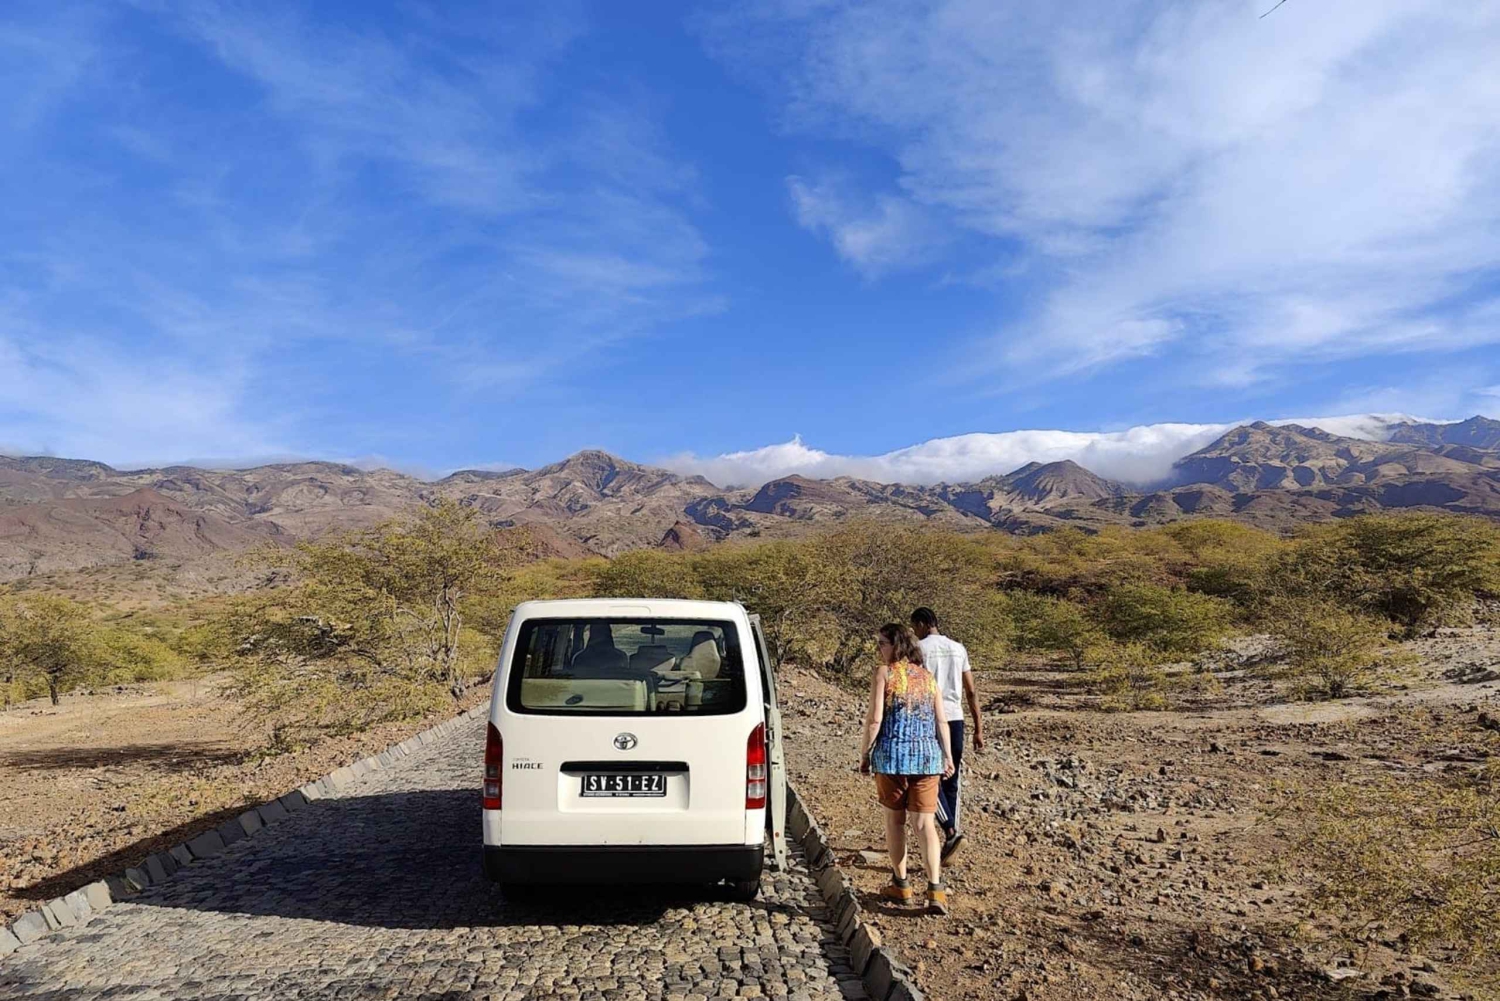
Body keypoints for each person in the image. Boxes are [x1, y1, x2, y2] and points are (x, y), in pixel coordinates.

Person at [860, 623, 956, 915]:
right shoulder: (927, 677)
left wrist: (864, 754)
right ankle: (935, 890)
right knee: (925, 825)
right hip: (927, 760)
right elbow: (941, 721)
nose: (880, 649)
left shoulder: (885, 673)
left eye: (882, 643)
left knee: (895, 821)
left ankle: (901, 884)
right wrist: (947, 756)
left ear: (896, 645)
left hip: (892, 758)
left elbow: (875, 718)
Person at [910, 607, 984, 863]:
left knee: (930, 777)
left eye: (914, 627)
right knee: (952, 778)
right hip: (955, 718)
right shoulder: (958, 648)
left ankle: (950, 831)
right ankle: (951, 835)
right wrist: (978, 727)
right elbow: (971, 690)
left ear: (921, 624)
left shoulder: (919, 649)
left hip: (929, 717)